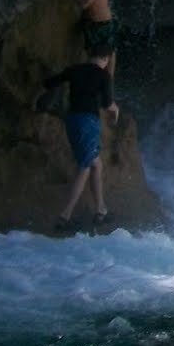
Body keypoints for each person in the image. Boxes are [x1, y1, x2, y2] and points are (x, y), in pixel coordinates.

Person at [44, 52, 119, 232]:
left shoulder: (75, 70)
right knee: (85, 165)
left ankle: (101, 210)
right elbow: (107, 103)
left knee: (96, 163)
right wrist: (116, 110)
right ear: (107, 58)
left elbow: (49, 83)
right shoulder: (103, 75)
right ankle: (65, 216)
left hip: (71, 120)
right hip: (88, 122)